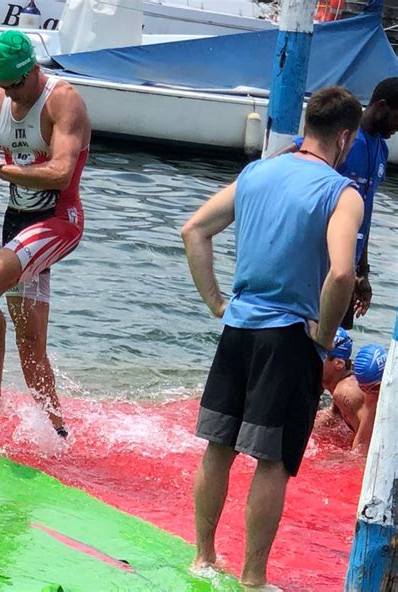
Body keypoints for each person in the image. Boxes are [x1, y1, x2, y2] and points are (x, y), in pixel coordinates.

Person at [181, 86, 364, 590]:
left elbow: (193, 230)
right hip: (288, 338)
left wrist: (219, 303)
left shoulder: (257, 172)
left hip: (237, 328)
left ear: (307, 127)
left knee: (218, 447)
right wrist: (323, 337)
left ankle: (202, 557)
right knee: (273, 460)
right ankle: (254, 577)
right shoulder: (341, 193)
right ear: (345, 138)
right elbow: (342, 274)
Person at [0, 30, 91, 437]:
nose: (12, 96)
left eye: (16, 84)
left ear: (32, 70)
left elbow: (59, 172)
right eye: (3, 86)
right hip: (17, 223)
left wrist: (1, 170)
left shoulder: (64, 101)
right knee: (31, 349)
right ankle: (59, 433)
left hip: (59, 220)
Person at [292, 78, 398, 329]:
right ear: (382, 107)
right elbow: (298, 154)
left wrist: (362, 271)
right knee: (310, 343)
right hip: (319, 266)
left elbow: (364, 214)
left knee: (337, 350)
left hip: (348, 269)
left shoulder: (381, 149)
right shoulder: (344, 140)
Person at [321, 342, 387, 453]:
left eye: (322, 357)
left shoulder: (344, 392)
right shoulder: (345, 384)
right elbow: (333, 415)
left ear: (339, 363)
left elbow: (362, 449)